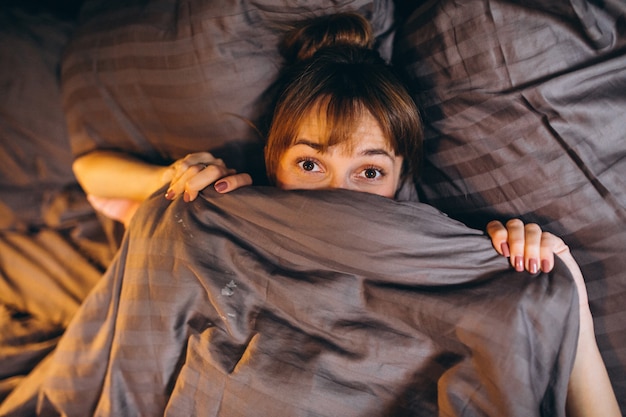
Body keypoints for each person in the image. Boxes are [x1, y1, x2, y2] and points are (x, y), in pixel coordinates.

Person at [154, 12, 620, 417]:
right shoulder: (234, 218)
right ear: (274, 161)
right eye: (310, 164)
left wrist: (565, 295)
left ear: (401, 179)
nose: (338, 193)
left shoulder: (449, 267)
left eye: (370, 171)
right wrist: (181, 177)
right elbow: (93, 178)